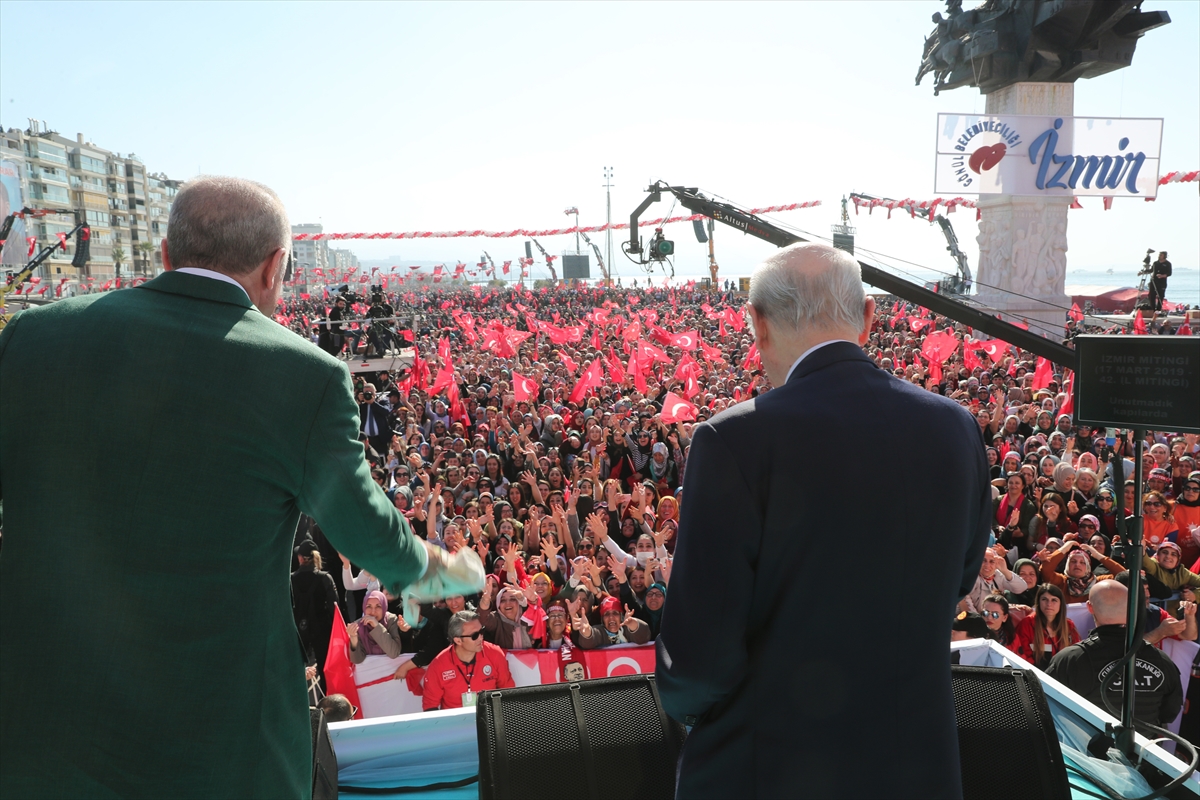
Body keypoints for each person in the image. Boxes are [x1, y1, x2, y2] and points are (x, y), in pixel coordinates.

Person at [0, 176, 481, 798]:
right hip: (219, 740)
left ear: (166, 255)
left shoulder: (33, 338)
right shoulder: (302, 375)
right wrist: (430, 569)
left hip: (45, 726)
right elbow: (361, 522)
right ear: (276, 266)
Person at [656, 243, 991, 799]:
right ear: (866, 319)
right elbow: (957, 579)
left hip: (770, 772)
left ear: (757, 325)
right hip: (918, 770)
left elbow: (698, 665)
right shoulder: (956, 427)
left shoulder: (733, 440)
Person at [1047, 581, 1184, 727]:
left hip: (1086, 747)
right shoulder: (1162, 661)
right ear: (1130, 609)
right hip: (1145, 747)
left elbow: (1046, 705)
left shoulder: (1069, 660)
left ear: (1089, 607)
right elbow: (1169, 713)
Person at [421, 611, 514, 711]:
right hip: (456, 723)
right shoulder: (439, 665)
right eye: (475, 636)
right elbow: (430, 706)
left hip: (489, 720)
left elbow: (508, 692)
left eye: (482, 631)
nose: (481, 638)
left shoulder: (494, 654)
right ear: (458, 641)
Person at [1012, 584, 1079, 669]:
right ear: (1038, 602)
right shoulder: (1026, 624)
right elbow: (1022, 655)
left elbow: (1074, 655)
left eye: (1054, 600)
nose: (1049, 604)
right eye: (1044, 599)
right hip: (1035, 675)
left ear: (1061, 604)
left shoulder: (1069, 625)